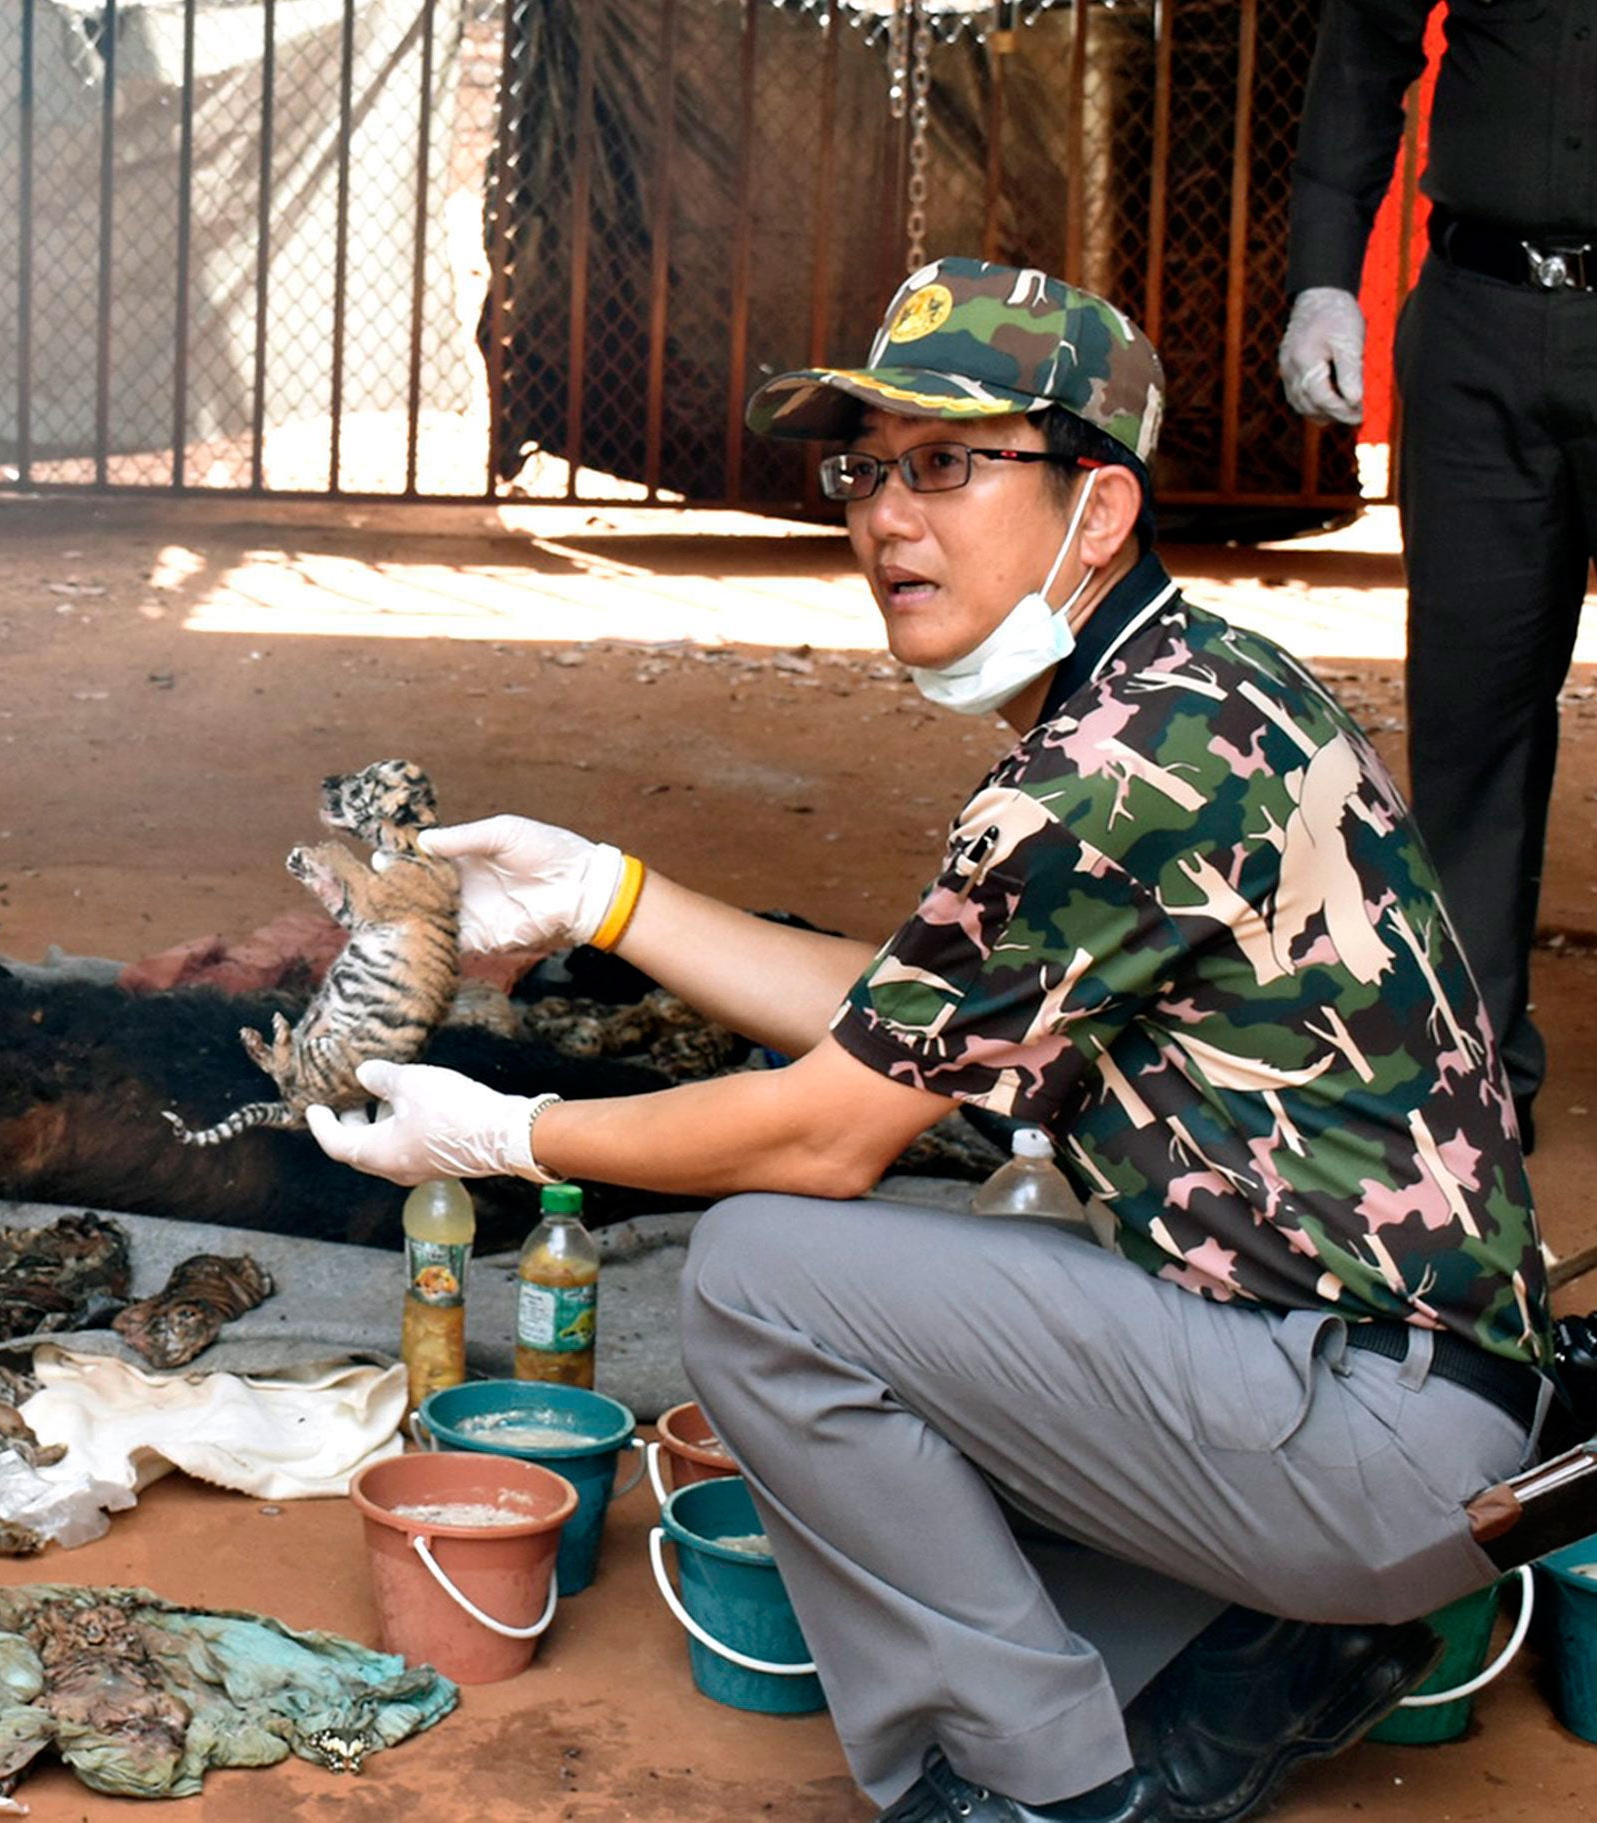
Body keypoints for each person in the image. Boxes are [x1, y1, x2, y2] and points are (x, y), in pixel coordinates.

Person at [310, 259, 1552, 1823]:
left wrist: (505, 1131)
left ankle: (1042, 1787)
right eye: (867, 468)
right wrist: (604, 894)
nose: (887, 516)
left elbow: (825, 1129)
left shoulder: (1108, 773)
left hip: (1367, 1434)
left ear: (1094, 507)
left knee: (765, 1273)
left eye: (948, 465)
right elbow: (907, 1014)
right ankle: (1250, 1650)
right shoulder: (1199, 687)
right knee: (962, 1257)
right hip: (1412, 1398)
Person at [1278, 0, 1597, 1146]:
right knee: (1472, 718)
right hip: (1477, 329)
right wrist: (1324, 282)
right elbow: (1363, 55)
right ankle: (1473, 1076)